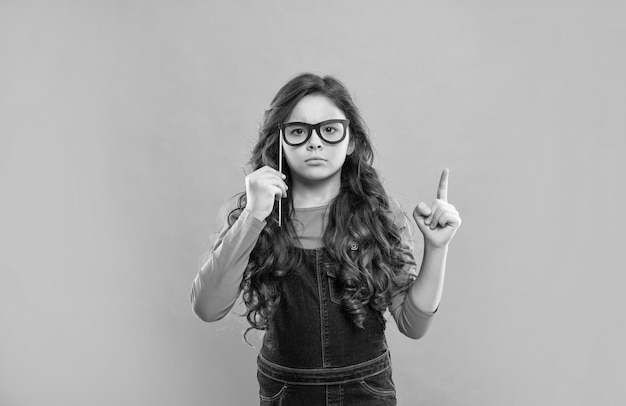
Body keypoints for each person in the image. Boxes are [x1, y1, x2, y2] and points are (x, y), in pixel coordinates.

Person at [190, 73, 462, 405]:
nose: (314, 142)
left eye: (329, 130)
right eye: (298, 131)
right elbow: (206, 307)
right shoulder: (257, 215)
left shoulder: (378, 214)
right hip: (286, 394)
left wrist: (437, 247)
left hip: (365, 391)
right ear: (279, 141)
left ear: (350, 142)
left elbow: (413, 324)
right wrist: (253, 217)